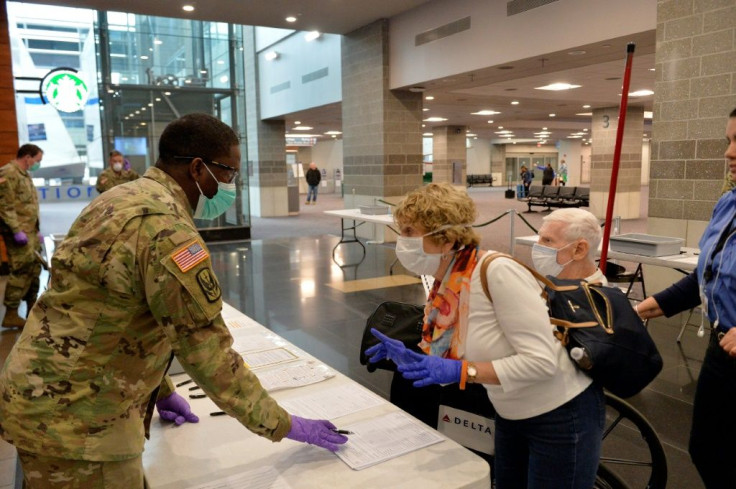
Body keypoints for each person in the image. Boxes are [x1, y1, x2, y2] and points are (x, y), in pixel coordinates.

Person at [0, 114, 346, 488]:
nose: (231, 185)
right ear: (198, 168)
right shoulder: (167, 229)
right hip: (80, 426)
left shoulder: (119, 198)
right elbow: (206, 351)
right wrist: (285, 424)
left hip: (41, 396)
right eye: (229, 173)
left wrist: (160, 391)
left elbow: (109, 310)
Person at [366, 183, 604, 489]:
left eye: (410, 231)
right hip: (509, 410)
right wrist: (413, 358)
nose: (402, 241)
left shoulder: (495, 272)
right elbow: (458, 357)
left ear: (447, 238)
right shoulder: (447, 284)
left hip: (559, 413)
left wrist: (462, 370)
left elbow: (543, 362)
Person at [636, 107, 736, 489]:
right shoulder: (728, 204)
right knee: (707, 449)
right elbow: (705, 276)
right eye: (728, 140)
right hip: (721, 347)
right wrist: (645, 308)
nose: (728, 152)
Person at [0, 144, 44, 329]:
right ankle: (11, 313)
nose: (38, 164)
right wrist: (16, 230)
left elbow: (27, 206)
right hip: (18, 233)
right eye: (37, 160)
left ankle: (31, 311)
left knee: (34, 269)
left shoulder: (23, 175)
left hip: (30, 232)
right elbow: (4, 205)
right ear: (27, 157)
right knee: (21, 271)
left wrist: (36, 229)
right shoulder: (9, 173)